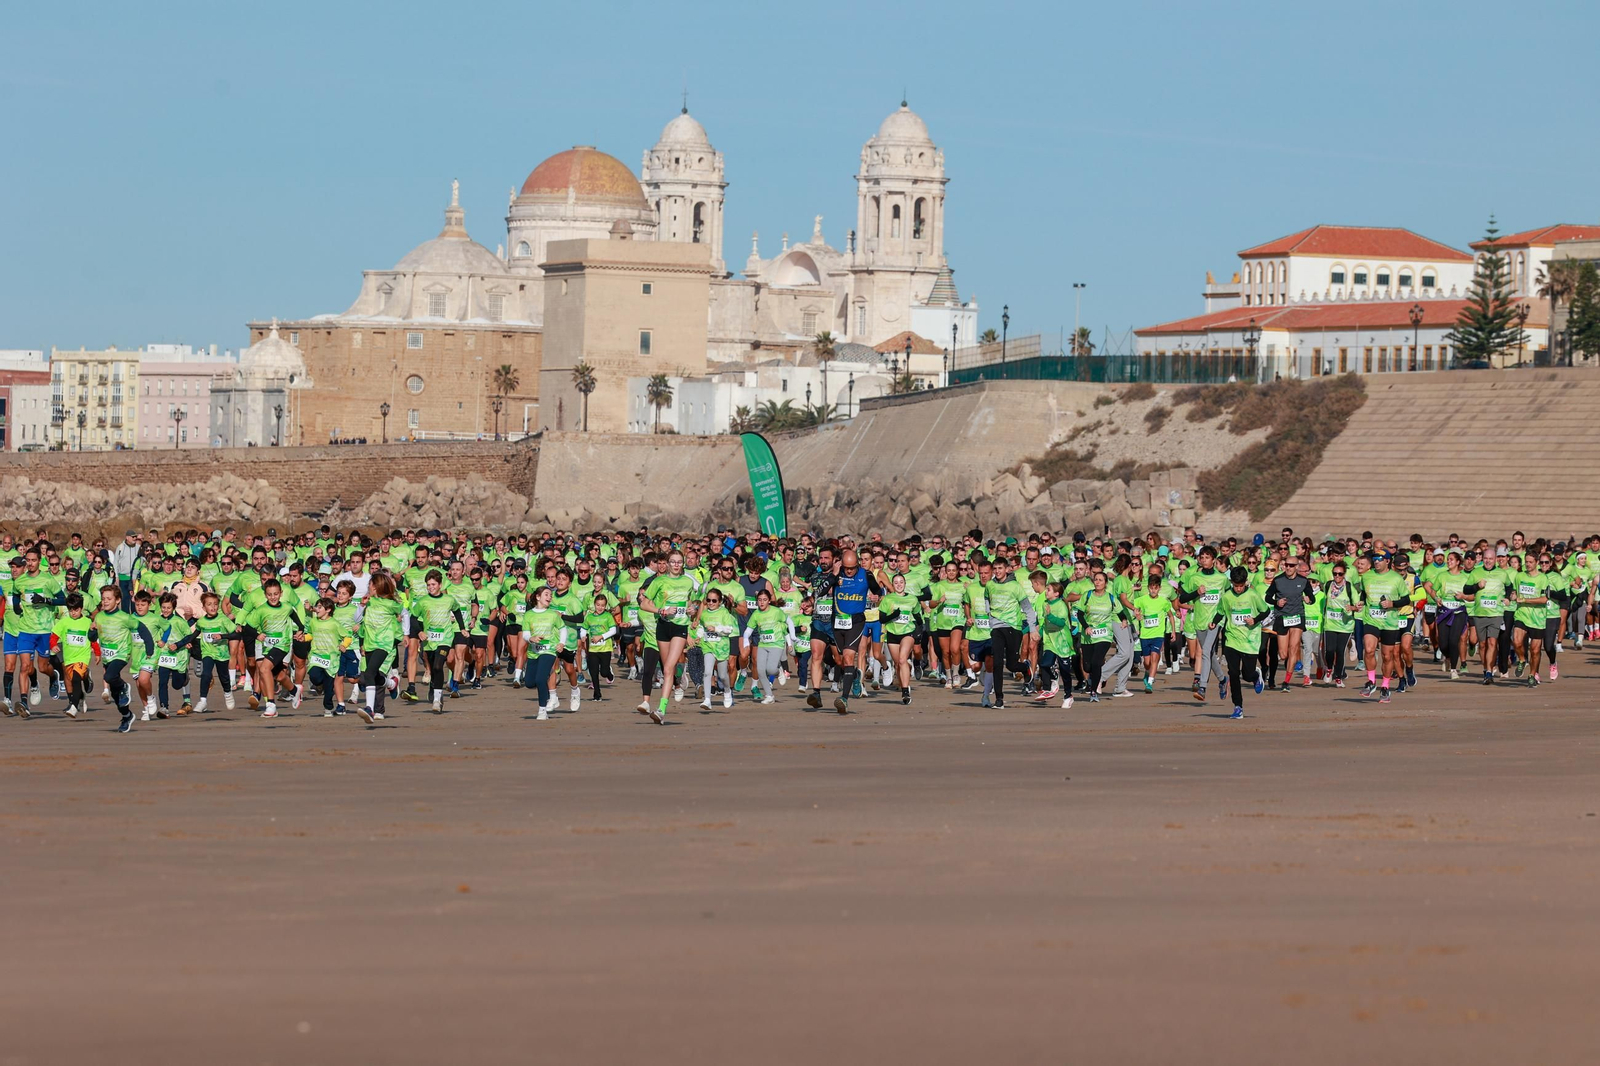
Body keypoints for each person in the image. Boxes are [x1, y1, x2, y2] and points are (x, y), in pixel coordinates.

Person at [1213, 566, 1270, 720]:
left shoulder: (1252, 595)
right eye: (1235, 586)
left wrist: (1255, 620)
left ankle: (1256, 675)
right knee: (1233, 673)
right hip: (1231, 640)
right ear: (1231, 582)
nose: (1238, 589)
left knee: (1246, 674)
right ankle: (1238, 706)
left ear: (1246, 582)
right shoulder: (1227, 596)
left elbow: (1266, 611)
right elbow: (1220, 612)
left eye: (1241, 585)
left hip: (1250, 641)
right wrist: (1213, 623)